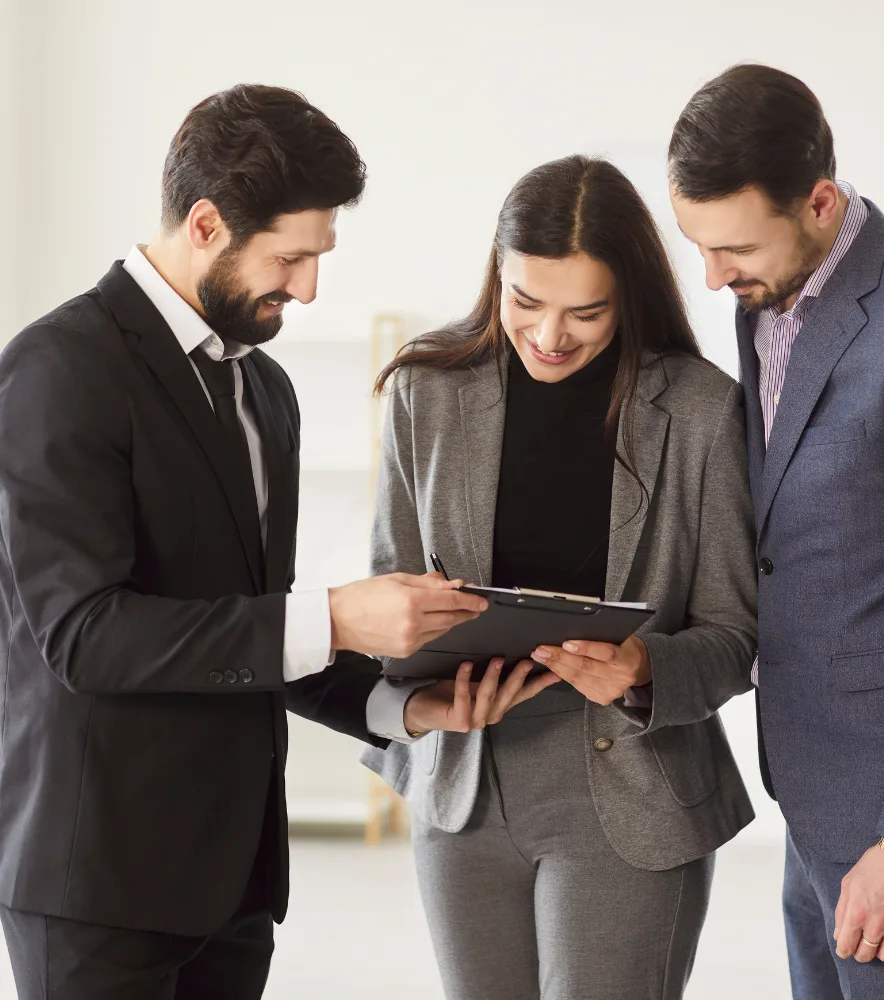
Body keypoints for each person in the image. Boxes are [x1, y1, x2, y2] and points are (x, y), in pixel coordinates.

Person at [0, 84, 547, 1000]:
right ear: (206, 224)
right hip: (92, 886)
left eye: (319, 256)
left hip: (234, 888)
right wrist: (337, 616)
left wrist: (403, 710)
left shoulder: (266, 393)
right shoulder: (60, 369)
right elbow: (87, 637)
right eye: (290, 257)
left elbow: (249, 627)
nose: (309, 286)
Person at [362, 154, 758, 1000]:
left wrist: (646, 669)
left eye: (587, 312)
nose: (549, 336)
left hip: (628, 793)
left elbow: (736, 633)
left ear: (632, 297)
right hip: (463, 785)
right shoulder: (424, 392)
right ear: (495, 278)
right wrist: (406, 705)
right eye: (525, 302)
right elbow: (382, 601)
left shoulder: (700, 412)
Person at [668, 64, 884, 1000]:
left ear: (819, 202)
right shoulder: (767, 300)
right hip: (815, 804)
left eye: (733, 246)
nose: (713, 275)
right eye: (697, 244)